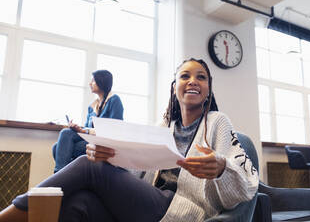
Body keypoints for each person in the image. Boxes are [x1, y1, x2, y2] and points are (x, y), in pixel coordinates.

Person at [0, 58, 258, 222]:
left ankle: (9, 217)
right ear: (174, 87)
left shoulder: (218, 122)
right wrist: (108, 156)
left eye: (201, 77)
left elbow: (247, 182)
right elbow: (136, 171)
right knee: (79, 205)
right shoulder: (164, 127)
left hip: (181, 211)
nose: (193, 81)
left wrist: (222, 167)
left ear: (208, 89)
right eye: (185, 76)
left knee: (87, 166)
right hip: (150, 204)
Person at [52, 69, 124, 173]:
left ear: (102, 81)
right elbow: (87, 129)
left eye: (93, 81)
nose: (90, 83)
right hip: (90, 139)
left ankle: (58, 176)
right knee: (58, 144)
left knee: (60, 143)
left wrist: (85, 131)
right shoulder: (92, 106)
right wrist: (78, 129)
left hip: (103, 143)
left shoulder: (114, 100)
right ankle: (65, 176)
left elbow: (114, 129)